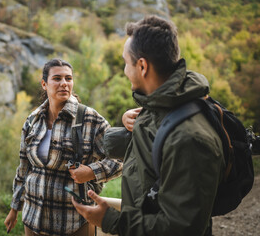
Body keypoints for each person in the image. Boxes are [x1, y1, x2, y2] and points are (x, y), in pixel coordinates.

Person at [72, 15, 224, 236]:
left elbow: (181, 229)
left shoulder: (191, 139)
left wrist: (112, 221)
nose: (124, 71)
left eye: (126, 62)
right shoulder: (159, 107)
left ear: (142, 66)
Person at [4, 58, 123, 236]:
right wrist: (14, 208)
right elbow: (24, 169)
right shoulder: (33, 120)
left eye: (68, 78)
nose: (64, 84)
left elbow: (121, 158)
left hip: (74, 222)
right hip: (32, 219)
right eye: (57, 78)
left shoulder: (89, 119)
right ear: (44, 84)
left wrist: (91, 172)